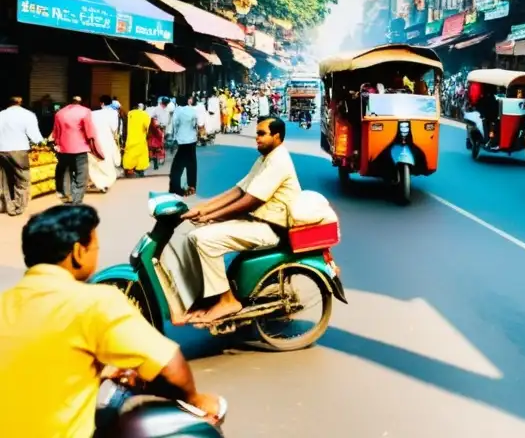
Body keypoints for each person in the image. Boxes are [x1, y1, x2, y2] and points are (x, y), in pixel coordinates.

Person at [0, 205, 222, 438]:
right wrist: (197, 400)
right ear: (78, 252)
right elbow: (170, 367)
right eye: (95, 245)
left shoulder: (5, 302)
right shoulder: (94, 301)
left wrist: (103, 371)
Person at [182, 117, 301, 322]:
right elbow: (239, 190)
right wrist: (203, 208)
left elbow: (250, 201)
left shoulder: (278, 161)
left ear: (277, 136)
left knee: (202, 240)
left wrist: (212, 216)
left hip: (271, 228)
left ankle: (228, 301)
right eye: (257, 133)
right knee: (194, 237)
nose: (257, 138)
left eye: (262, 134)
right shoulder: (265, 158)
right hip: (258, 223)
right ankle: (211, 295)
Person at [52, 97, 103, 205]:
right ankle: (77, 200)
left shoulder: (60, 113)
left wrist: (58, 144)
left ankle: (69, 195)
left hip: (64, 149)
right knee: (81, 175)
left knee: (69, 172)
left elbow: (56, 132)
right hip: (80, 149)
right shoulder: (85, 111)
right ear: (82, 102)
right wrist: (96, 149)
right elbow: (90, 132)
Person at [0, 96, 44, 216]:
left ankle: (9, 206)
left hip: (2, 150)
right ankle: (18, 207)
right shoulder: (28, 115)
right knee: (22, 178)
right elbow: (35, 135)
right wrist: (41, 143)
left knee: (6, 179)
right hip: (19, 150)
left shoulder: (1, 114)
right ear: (21, 103)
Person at [88, 96, 121, 194]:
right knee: (107, 161)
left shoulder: (93, 113)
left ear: (101, 103)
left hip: (94, 140)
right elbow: (114, 128)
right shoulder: (113, 113)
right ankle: (105, 183)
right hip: (107, 140)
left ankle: (98, 182)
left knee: (95, 162)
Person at [168, 95, 200, 196]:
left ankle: (175, 188)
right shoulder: (192, 110)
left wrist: (173, 138)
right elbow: (196, 124)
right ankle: (192, 185)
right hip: (192, 139)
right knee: (192, 164)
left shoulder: (178, 111)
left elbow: (174, 124)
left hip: (182, 140)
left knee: (177, 166)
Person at [122, 103, 151, 177]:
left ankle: (129, 169)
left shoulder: (129, 114)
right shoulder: (145, 115)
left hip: (130, 139)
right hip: (140, 139)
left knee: (130, 155)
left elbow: (124, 126)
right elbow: (147, 127)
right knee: (141, 156)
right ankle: (139, 170)